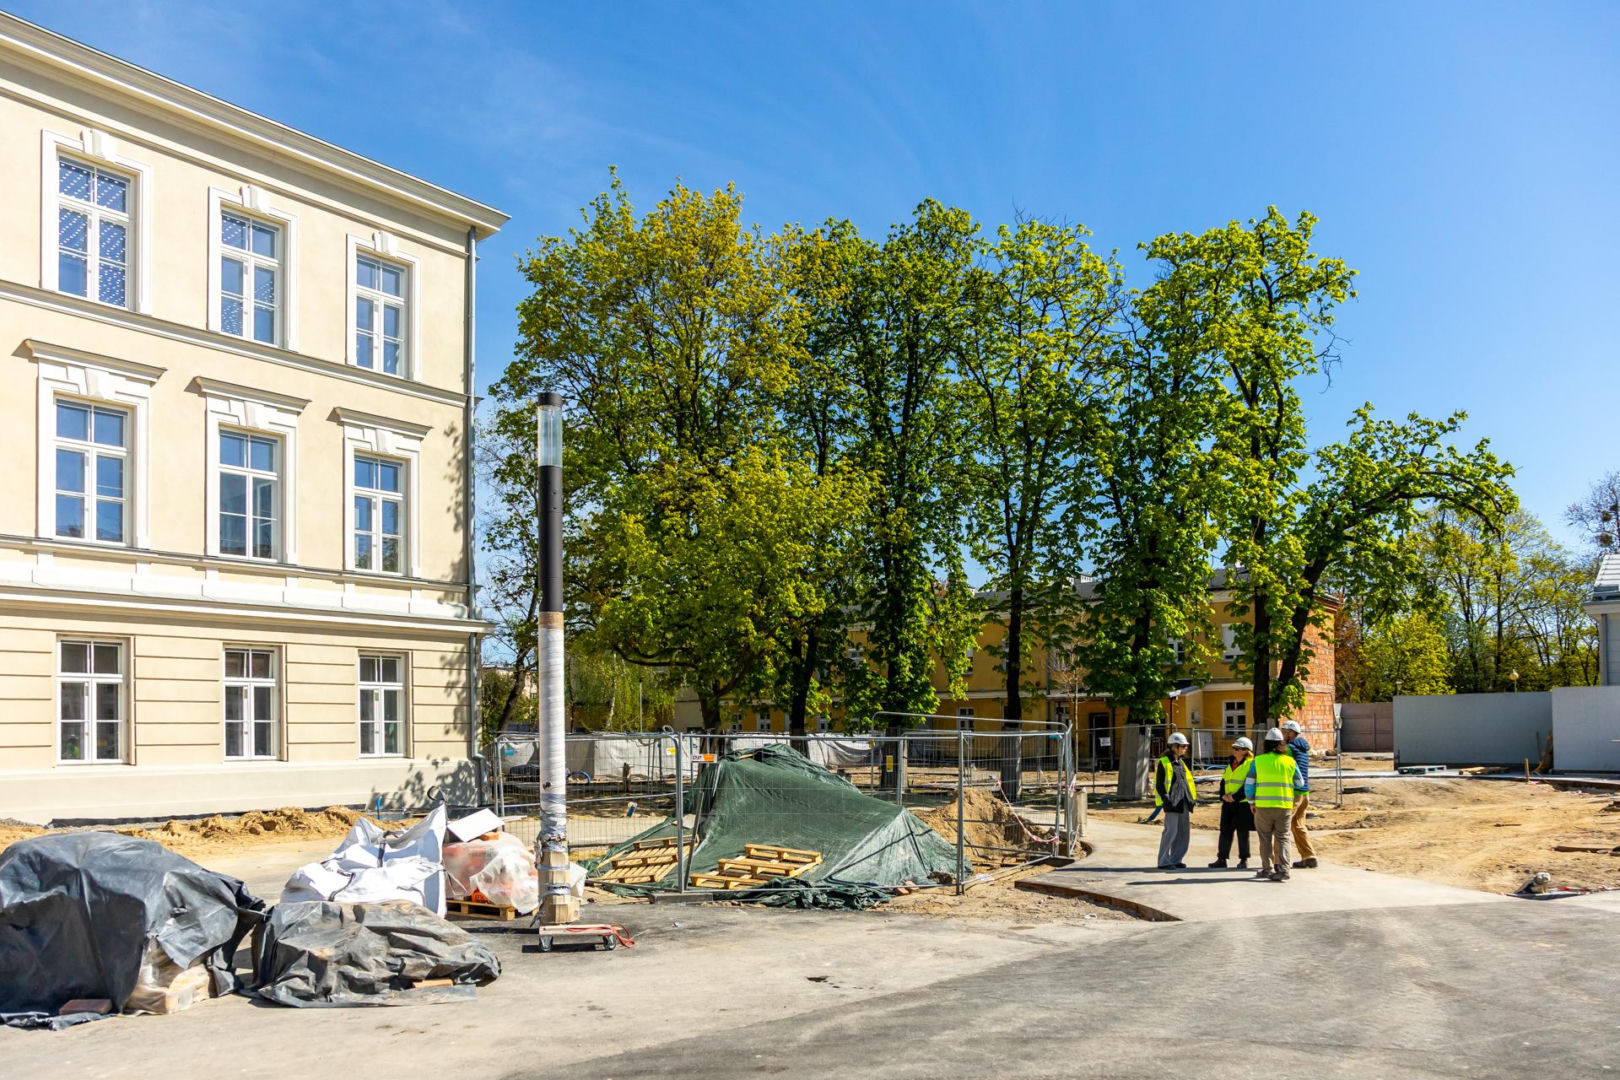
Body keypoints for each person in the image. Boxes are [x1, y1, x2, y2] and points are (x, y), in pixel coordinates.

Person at [1245, 728, 1303, 881]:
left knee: (1265, 838)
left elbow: (1249, 784)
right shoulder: (1290, 762)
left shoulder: (1258, 761)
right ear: (1281, 744)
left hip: (1262, 806)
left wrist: (1251, 801)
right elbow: (1300, 782)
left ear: (1265, 744)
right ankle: (1284, 869)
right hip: (1284, 805)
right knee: (1283, 838)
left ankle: (1266, 869)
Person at [1208, 737, 1255, 868]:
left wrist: (1235, 797)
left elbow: (1249, 784)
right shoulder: (1231, 764)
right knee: (1225, 830)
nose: (1234, 750)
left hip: (1242, 803)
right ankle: (1222, 859)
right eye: (1234, 748)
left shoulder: (1251, 764)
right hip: (1228, 803)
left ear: (1246, 751)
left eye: (1237, 748)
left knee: (1242, 831)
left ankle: (1244, 859)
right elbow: (1224, 781)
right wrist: (1223, 795)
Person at [1154, 732, 1197, 869]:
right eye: (1183, 746)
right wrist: (1167, 800)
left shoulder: (1180, 762)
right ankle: (1163, 861)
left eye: (1185, 746)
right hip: (1172, 802)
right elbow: (1160, 784)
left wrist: (1191, 799)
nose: (1185, 748)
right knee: (1171, 832)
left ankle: (1176, 859)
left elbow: (1186, 782)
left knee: (1183, 833)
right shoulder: (1164, 762)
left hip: (1183, 802)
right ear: (1174, 746)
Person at [1282, 719, 1318, 869]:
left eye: (1284, 732)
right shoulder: (1303, 749)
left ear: (1291, 733)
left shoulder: (1290, 748)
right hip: (1305, 793)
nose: (1282, 735)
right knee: (1298, 825)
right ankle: (1309, 856)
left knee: (1282, 826)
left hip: (1294, 793)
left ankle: (1277, 861)